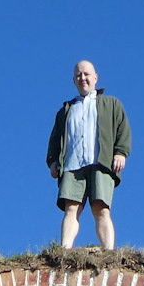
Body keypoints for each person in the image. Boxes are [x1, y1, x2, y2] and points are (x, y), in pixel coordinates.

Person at [46, 60, 130, 249]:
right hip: (72, 165)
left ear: (95, 78)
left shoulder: (111, 104)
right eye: (78, 75)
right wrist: (52, 161)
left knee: (101, 208)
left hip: (101, 162)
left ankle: (109, 252)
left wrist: (120, 153)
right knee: (71, 207)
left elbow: (122, 129)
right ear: (74, 80)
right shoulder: (65, 111)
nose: (82, 78)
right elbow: (55, 139)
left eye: (86, 74)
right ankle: (64, 251)